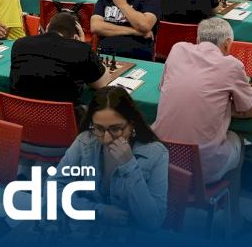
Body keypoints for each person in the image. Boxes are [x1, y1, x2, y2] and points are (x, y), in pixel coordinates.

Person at [153, 18, 252, 235]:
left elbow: (163, 87)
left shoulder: (177, 49)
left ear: (198, 40)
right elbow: (249, 111)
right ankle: (235, 221)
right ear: (227, 44)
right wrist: (222, 108)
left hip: (161, 160)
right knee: (238, 141)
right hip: (202, 168)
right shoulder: (232, 65)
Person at [57, 87, 168, 230]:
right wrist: (97, 211)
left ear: (131, 125)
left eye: (115, 129)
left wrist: (129, 166)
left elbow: (152, 222)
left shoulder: (157, 154)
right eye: (99, 128)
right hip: (88, 230)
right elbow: (52, 189)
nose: (107, 138)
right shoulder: (85, 141)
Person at [10, 11, 108, 105]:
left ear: (47, 28)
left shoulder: (19, 44)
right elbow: (102, 84)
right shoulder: (81, 49)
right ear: (75, 38)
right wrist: (81, 45)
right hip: (62, 116)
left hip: (18, 113)